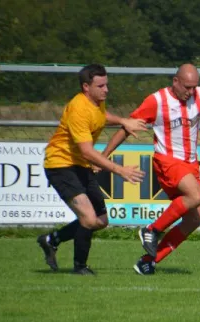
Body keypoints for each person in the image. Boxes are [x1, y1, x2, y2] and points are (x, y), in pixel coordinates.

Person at [101, 63, 200, 275]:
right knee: (196, 195)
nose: (191, 92)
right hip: (167, 160)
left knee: (194, 220)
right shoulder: (157, 101)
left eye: (194, 87)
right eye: (187, 87)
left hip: (190, 163)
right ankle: (151, 230)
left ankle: (148, 262)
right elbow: (126, 127)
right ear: (175, 81)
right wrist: (103, 156)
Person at [37, 63, 147, 275]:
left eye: (107, 85)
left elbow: (102, 117)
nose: (106, 90)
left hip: (79, 165)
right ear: (86, 87)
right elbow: (87, 151)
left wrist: (123, 120)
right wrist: (119, 170)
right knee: (88, 218)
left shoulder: (97, 103)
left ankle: (51, 240)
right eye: (101, 86)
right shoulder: (78, 108)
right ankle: (80, 268)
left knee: (101, 220)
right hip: (60, 165)